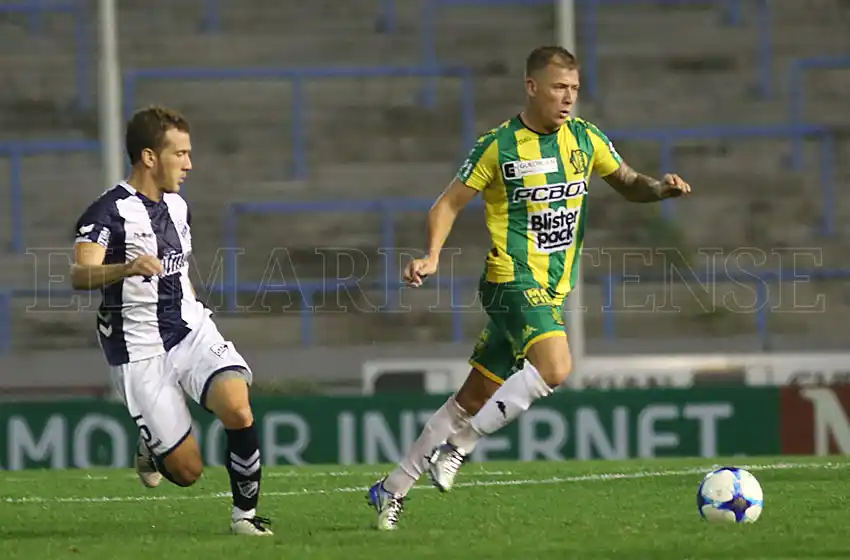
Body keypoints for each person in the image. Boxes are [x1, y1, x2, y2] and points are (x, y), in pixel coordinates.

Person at [367, 46, 691, 530]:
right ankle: (459, 447)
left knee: (472, 398)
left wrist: (660, 189)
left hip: (550, 290)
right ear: (532, 86)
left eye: (575, 89)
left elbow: (626, 181)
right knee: (556, 366)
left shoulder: (585, 139)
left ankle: (391, 489)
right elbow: (448, 203)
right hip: (509, 279)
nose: (569, 98)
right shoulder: (499, 146)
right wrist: (432, 255)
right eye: (559, 88)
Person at [71, 105, 272, 536]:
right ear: (149, 157)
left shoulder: (179, 207)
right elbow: (80, 274)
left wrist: (196, 311)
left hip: (188, 329)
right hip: (138, 348)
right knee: (186, 472)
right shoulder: (107, 213)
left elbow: (177, 272)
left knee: (238, 406)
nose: (189, 164)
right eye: (180, 154)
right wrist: (126, 268)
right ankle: (153, 445)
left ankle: (245, 517)